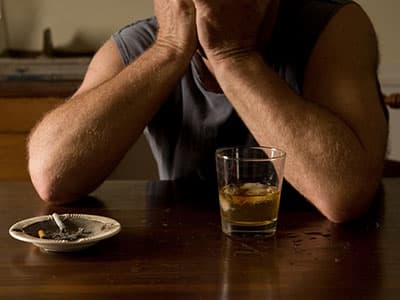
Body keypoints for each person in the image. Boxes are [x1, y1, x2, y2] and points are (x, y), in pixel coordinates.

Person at [27, 0, 388, 223]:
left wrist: (233, 57)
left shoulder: (332, 25)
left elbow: (344, 196)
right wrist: (168, 49)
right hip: (184, 262)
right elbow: (52, 176)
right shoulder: (146, 42)